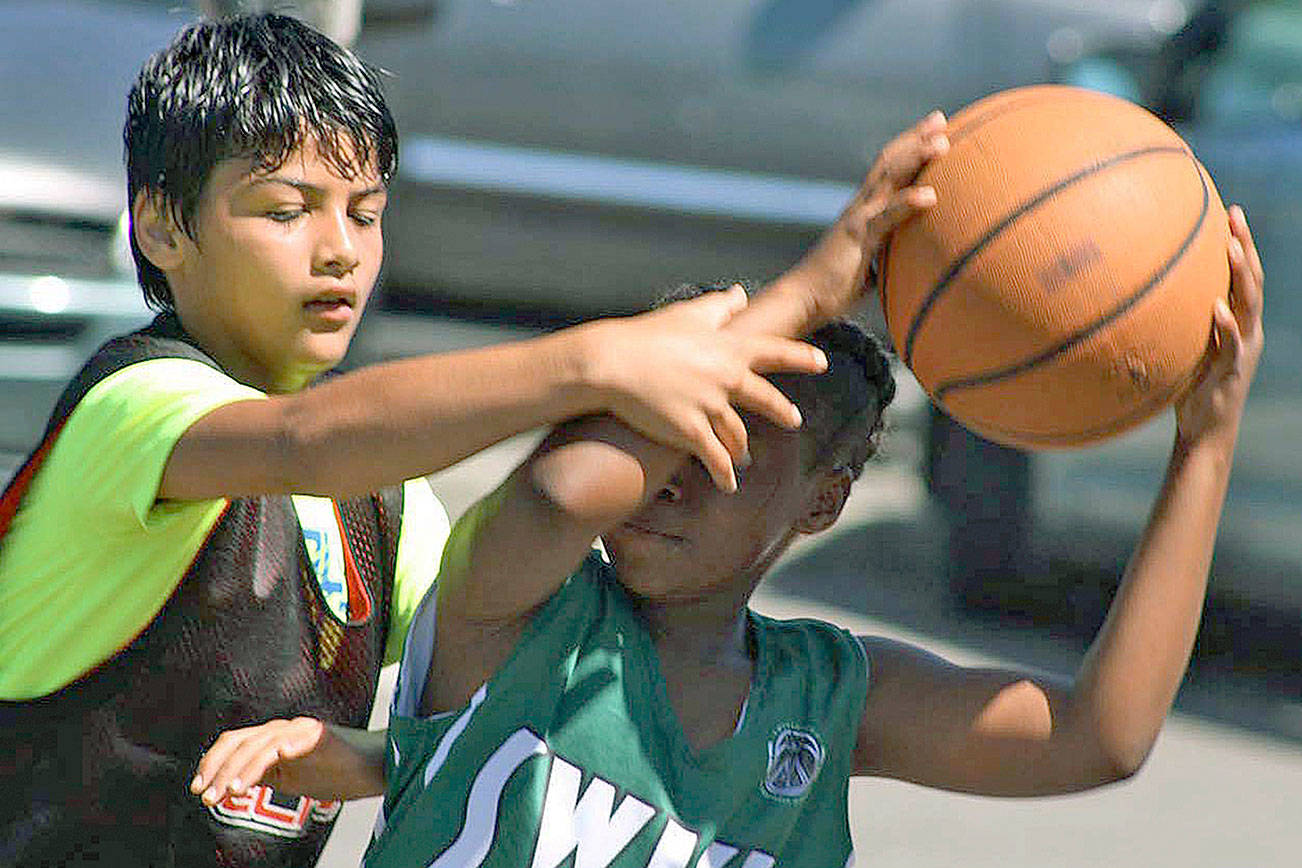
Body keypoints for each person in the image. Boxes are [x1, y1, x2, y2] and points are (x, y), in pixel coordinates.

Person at [0, 13, 942, 868]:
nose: (341, 250)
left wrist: (374, 756)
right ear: (162, 228)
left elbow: (510, 663)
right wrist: (625, 352)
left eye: (365, 214)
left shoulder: (380, 506)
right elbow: (309, 436)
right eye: (287, 211)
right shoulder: (131, 410)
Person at [189, 195, 1265, 865]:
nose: (670, 479)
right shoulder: (512, 609)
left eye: (730, 449)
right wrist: (798, 294)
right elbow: (566, 496)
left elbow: (1098, 739)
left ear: (824, 502)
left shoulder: (832, 698)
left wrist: (1204, 446)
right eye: (660, 430)